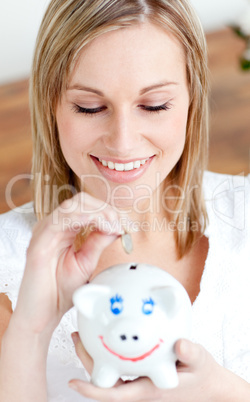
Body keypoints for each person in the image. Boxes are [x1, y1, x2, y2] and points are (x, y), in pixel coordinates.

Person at [0, 0, 249, 401]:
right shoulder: (9, 268)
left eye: (153, 106)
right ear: (51, 106)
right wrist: (31, 330)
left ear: (192, 101)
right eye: (90, 107)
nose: (123, 141)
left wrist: (224, 392)